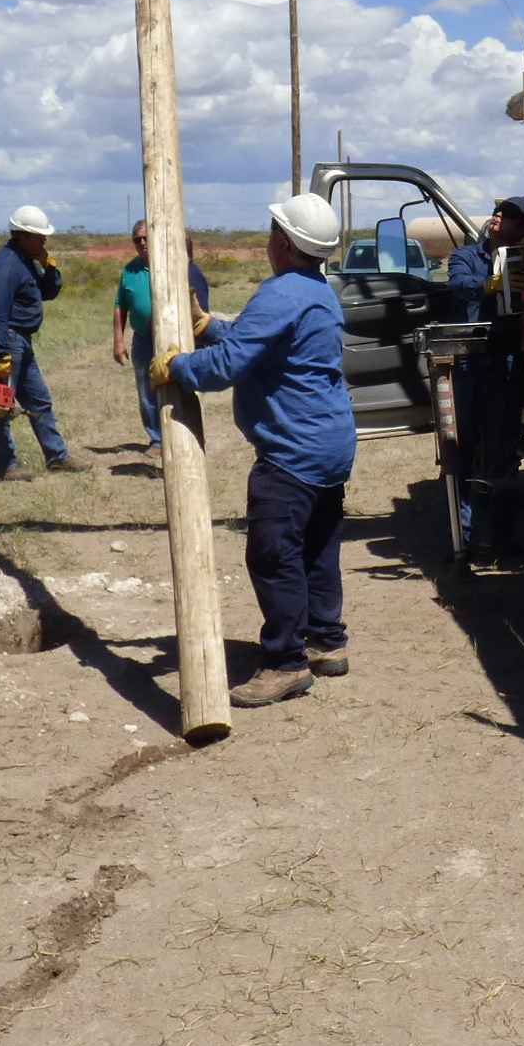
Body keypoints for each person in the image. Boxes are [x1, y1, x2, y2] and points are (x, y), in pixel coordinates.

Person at [155, 192, 357, 707]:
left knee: (274, 555)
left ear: (284, 242)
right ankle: (325, 641)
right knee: (317, 547)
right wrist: (210, 327)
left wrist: (177, 367)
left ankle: (286, 662)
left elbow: (224, 368)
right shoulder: (317, 290)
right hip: (329, 446)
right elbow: (261, 340)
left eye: (272, 231)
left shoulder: (281, 291)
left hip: (292, 452)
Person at [444, 195, 524, 551]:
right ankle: (461, 542)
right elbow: (457, 284)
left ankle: (501, 540)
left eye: (510, 214)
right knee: (460, 454)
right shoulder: (465, 257)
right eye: (499, 210)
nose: (499, 215)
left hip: (507, 368)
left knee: (502, 457)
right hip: (467, 365)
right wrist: (490, 284)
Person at [0, 204, 86, 481]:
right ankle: (5, 466)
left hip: (19, 340)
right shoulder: (4, 267)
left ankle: (57, 457)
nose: (44, 241)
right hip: (5, 339)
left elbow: (47, 292)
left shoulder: (24, 262)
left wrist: (50, 268)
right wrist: (1, 353)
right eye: (39, 236)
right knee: (1, 404)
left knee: (39, 399)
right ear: (22, 236)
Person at [111, 218, 212, 453]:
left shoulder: (172, 266)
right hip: (143, 339)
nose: (143, 243)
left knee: (179, 384)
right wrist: (118, 341)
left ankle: (183, 433)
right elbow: (120, 306)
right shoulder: (129, 270)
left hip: (174, 336)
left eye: (147, 238)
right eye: (138, 240)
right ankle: (157, 439)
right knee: (147, 389)